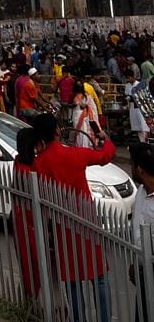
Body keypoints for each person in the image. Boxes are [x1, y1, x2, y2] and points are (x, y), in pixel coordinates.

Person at [32, 113, 113, 322]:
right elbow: (105, 156)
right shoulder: (75, 154)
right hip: (86, 222)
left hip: (61, 226)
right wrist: (104, 139)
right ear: (58, 131)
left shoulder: (39, 163)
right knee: (99, 277)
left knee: (72, 279)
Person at [12, 127, 40, 297]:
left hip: (21, 219)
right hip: (30, 222)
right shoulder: (30, 170)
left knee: (27, 264)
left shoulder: (18, 162)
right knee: (34, 265)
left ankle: (30, 297)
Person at [129, 142, 154, 322]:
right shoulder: (140, 192)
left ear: (139, 169)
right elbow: (137, 230)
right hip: (143, 268)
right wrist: (135, 262)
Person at [126, 71, 149, 145]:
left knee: (143, 126)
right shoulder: (127, 85)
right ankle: (142, 143)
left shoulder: (139, 85)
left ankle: (146, 142)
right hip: (132, 108)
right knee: (137, 127)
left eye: (129, 78)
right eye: (127, 78)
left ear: (133, 77)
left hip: (140, 108)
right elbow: (127, 95)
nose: (128, 80)